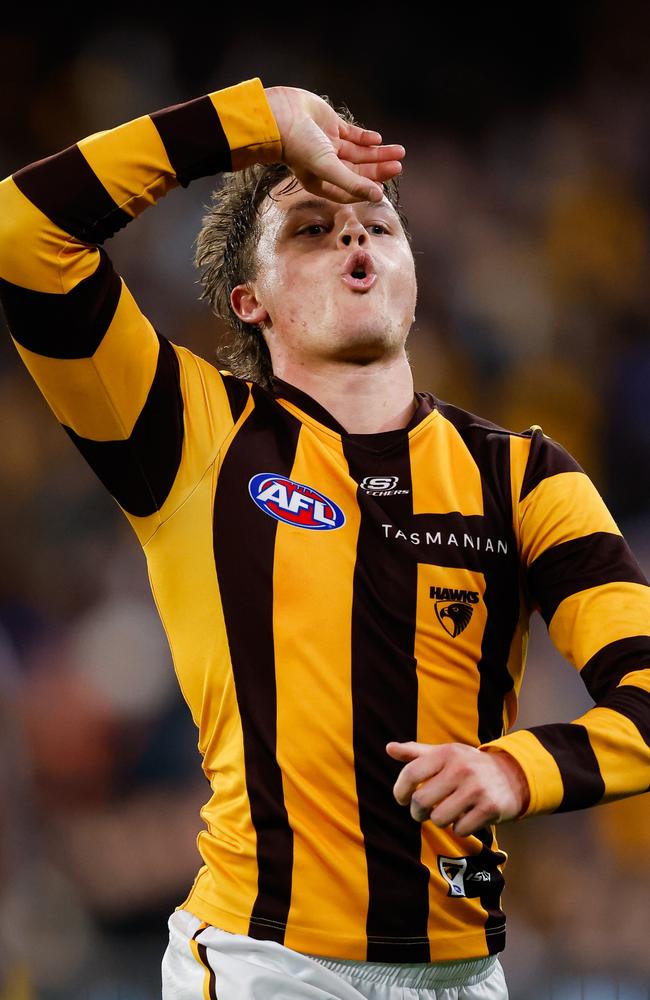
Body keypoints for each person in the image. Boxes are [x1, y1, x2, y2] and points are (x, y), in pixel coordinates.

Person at [0, 74, 648, 1000]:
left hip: (469, 973)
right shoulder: (191, 437)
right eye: (311, 226)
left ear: (414, 281)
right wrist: (250, 123)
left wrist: (518, 767)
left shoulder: (525, 476)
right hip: (267, 964)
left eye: (379, 225)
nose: (355, 233)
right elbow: (23, 235)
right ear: (248, 304)